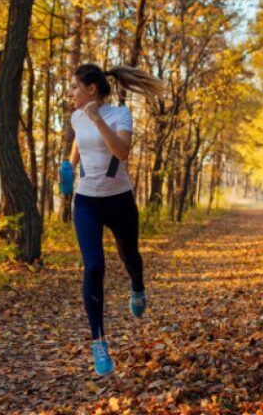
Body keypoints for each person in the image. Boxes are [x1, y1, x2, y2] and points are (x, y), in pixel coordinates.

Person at [60, 63, 164, 376]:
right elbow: (80, 141)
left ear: (92, 89)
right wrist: (68, 166)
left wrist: (96, 118)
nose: (71, 93)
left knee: (129, 256)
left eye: (75, 87)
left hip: (119, 200)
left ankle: (137, 285)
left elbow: (121, 152)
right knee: (94, 266)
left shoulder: (120, 115)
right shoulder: (76, 117)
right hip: (87, 202)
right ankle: (99, 343)